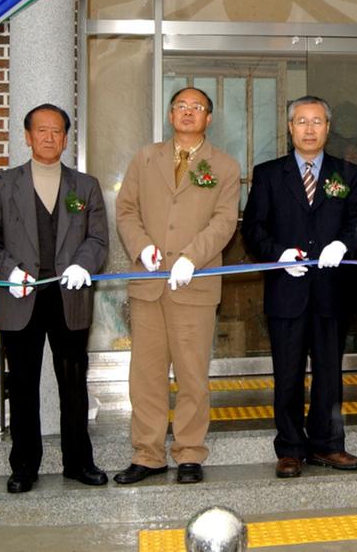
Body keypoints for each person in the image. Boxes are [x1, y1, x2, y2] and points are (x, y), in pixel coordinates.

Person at [0, 104, 109, 493]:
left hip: (70, 297)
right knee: (22, 384)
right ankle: (23, 466)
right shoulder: (3, 184)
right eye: (42, 130)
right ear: (27, 136)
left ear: (66, 139)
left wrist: (83, 264)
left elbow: (98, 238)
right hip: (20, 298)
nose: (50, 137)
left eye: (57, 131)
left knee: (73, 381)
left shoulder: (85, 185)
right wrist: (9, 272)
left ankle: (78, 462)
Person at [113, 87, 241, 485]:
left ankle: (189, 452)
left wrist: (191, 257)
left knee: (192, 375)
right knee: (146, 375)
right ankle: (147, 454)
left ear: (209, 118)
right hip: (148, 284)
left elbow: (225, 221)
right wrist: (141, 246)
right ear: (170, 115)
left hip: (194, 286)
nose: (188, 112)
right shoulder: (145, 158)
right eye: (181, 106)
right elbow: (126, 209)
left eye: (196, 107)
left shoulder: (225, 166)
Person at [241, 96, 357, 479]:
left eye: (317, 121)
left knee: (329, 372)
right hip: (287, 290)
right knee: (288, 373)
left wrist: (343, 244)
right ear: (289, 128)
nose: (309, 129)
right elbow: (253, 229)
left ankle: (328, 444)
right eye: (301, 121)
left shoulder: (347, 173)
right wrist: (279, 254)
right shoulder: (268, 174)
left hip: (331, 290)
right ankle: (290, 448)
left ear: (328, 128)